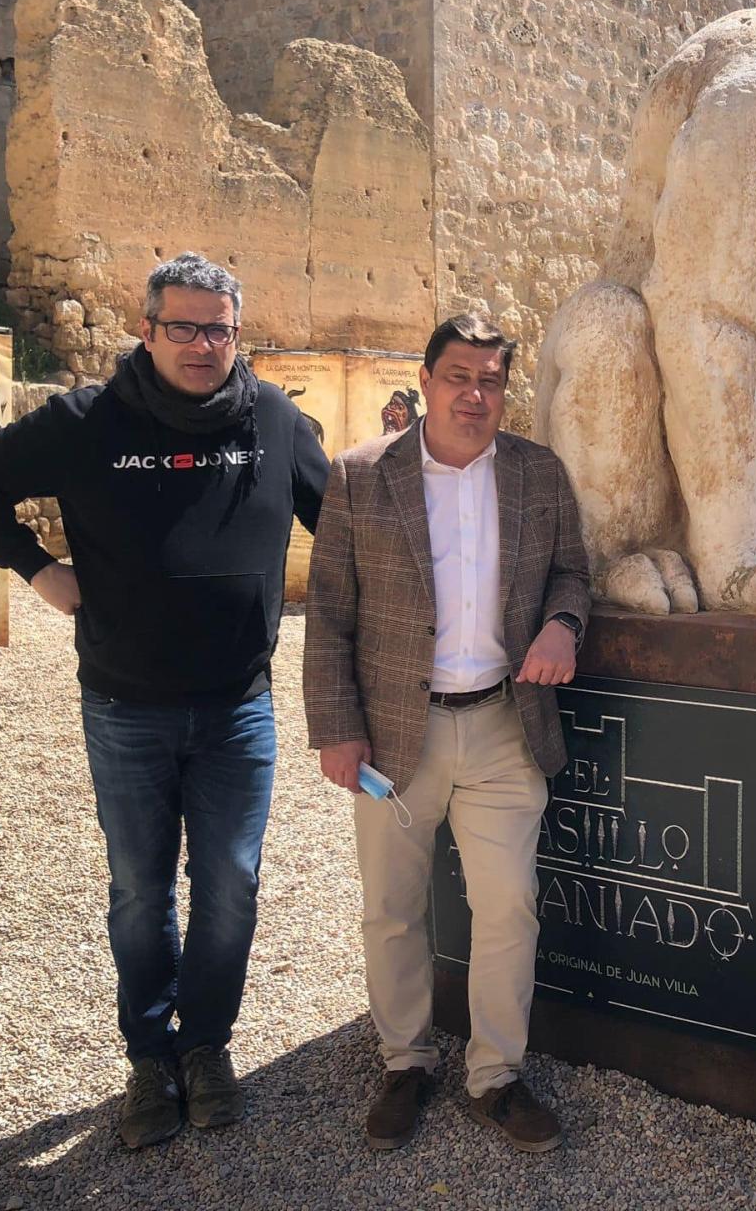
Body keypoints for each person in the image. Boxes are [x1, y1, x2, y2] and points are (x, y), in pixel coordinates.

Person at [0, 252, 329, 1148]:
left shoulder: (274, 420)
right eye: (182, 326)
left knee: (229, 885)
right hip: (127, 706)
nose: (201, 344)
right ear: (145, 330)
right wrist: (38, 571)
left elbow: (346, 530)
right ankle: (150, 1058)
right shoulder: (88, 421)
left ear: (238, 333)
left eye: (217, 328)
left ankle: (207, 1047)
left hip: (238, 708)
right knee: (140, 889)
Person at [304, 313, 590, 1153]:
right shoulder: (360, 476)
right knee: (392, 908)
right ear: (424, 382)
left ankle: (496, 1075)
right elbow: (328, 614)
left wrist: (564, 625)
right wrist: (335, 728)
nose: (475, 393)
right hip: (396, 737)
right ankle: (406, 1061)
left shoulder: (539, 474)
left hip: (504, 724)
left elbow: (572, 571)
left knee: (507, 907)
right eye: (459, 376)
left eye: (492, 380)